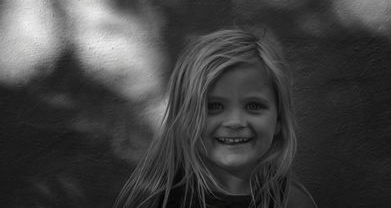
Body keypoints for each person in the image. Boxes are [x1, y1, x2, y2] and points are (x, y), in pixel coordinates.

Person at [114, 29, 317, 208]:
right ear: (183, 117)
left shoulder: (291, 202)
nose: (235, 122)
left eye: (254, 106)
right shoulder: (156, 199)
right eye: (214, 106)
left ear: (279, 121)